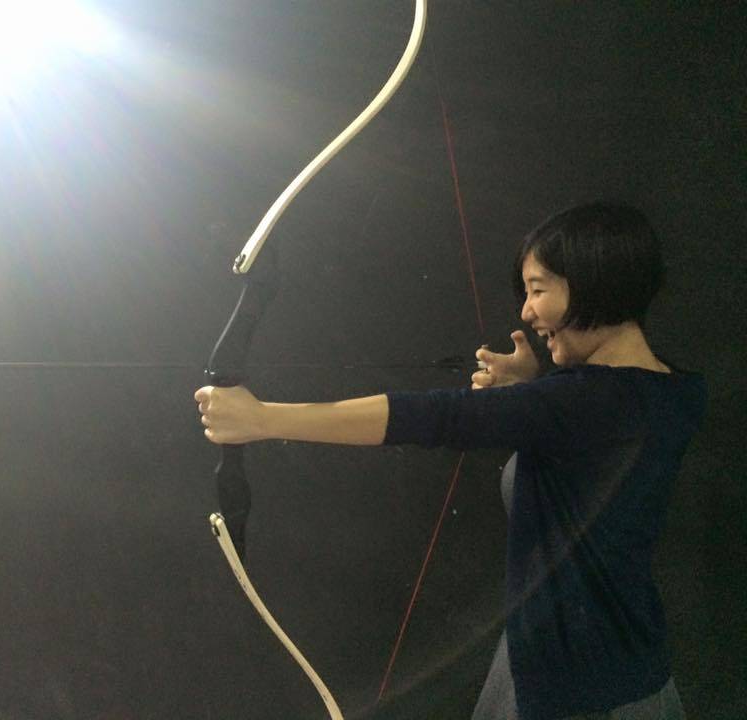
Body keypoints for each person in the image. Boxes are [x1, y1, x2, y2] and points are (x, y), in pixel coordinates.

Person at [194, 201, 705, 720]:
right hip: (601, 663)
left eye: (537, 290)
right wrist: (530, 393)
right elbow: (589, 441)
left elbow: (440, 417)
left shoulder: (587, 402)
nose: (526, 312)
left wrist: (263, 419)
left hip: (582, 693)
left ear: (593, 280)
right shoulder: (672, 393)